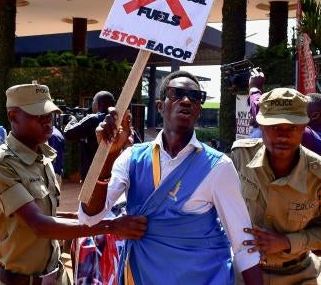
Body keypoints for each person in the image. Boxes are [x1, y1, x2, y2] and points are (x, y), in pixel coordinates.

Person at [80, 71, 262, 284]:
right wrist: (108, 154)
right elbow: (89, 217)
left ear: (199, 110)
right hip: (141, 276)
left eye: (195, 97)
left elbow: (243, 245)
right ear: (160, 106)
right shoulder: (132, 158)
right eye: (177, 94)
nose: (186, 101)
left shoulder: (219, 167)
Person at [0, 83, 147, 285]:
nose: (47, 121)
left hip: (58, 277)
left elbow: (47, 215)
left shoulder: (43, 158)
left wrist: (85, 217)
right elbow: (39, 225)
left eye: (49, 115)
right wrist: (110, 226)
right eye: (38, 115)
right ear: (13, 117)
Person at [231, 88, 321, 284]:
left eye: (292, 127)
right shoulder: (240, 156)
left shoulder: (318, 173)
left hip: (299, 274)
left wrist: (287, 242)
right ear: (261, 126)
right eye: (274, 126)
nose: (282, 135)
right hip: (245, 272)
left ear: (304, 127)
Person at [64, 91, 115, 181]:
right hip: (114, 172)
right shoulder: (118, 120)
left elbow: (68, 134)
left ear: (97, 104)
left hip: (93, 174)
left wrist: (73, 119)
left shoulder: (93, 119)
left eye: (93, 102)